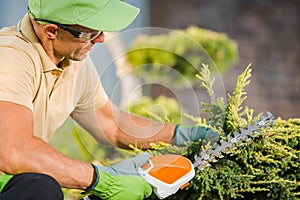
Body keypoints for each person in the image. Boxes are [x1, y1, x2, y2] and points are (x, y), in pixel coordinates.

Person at [0, 0, 219, 199]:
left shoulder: (73, 62)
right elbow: (15, 150)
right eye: (90, 33)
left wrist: (182, 135)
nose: (102, 38)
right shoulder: (10, 57)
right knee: (40, 189)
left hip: (12, 181)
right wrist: (102, 180)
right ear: (51, 31)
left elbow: (111, 124)